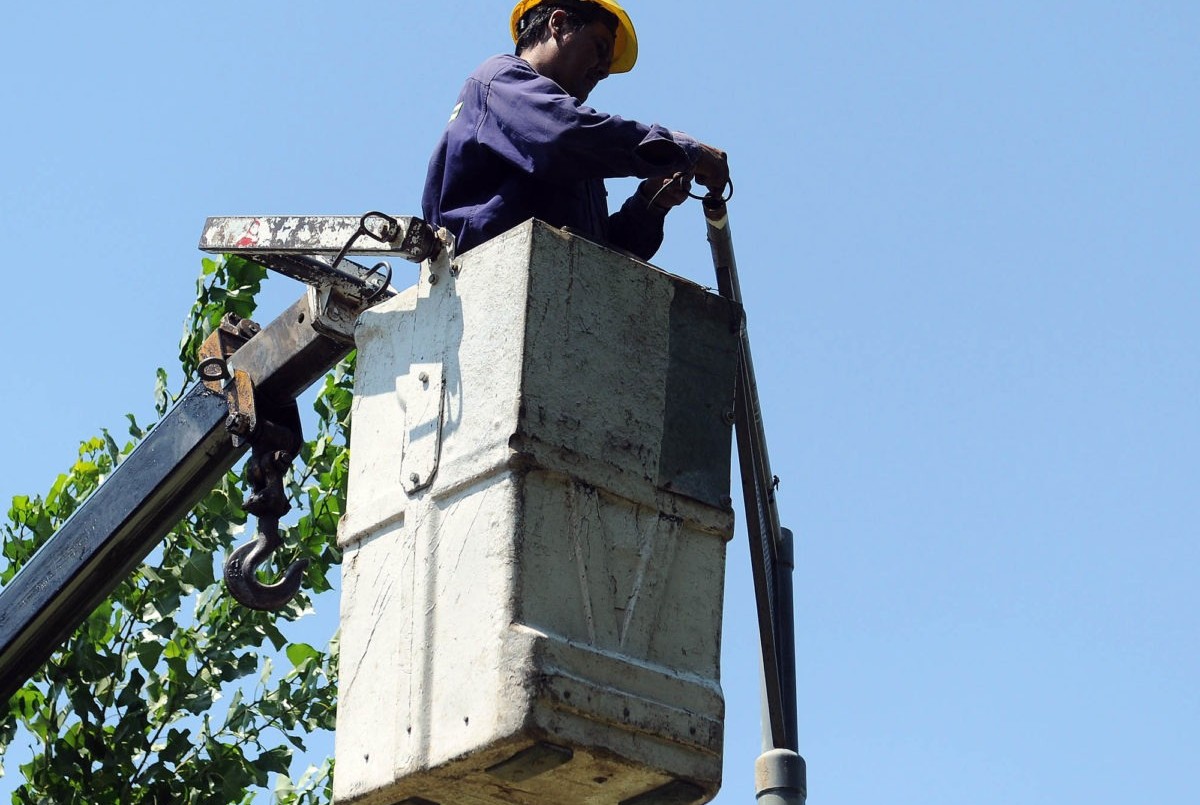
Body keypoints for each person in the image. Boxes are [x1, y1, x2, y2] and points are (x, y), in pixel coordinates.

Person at [422, 0, 729, 260]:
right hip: (487, 284)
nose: (604, 70)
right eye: (600, 46)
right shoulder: (499, 80)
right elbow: (564, 134)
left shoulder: (576, 152)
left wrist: (651, 201)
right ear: (558, 23)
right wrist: (683, 150)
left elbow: (600, 257)